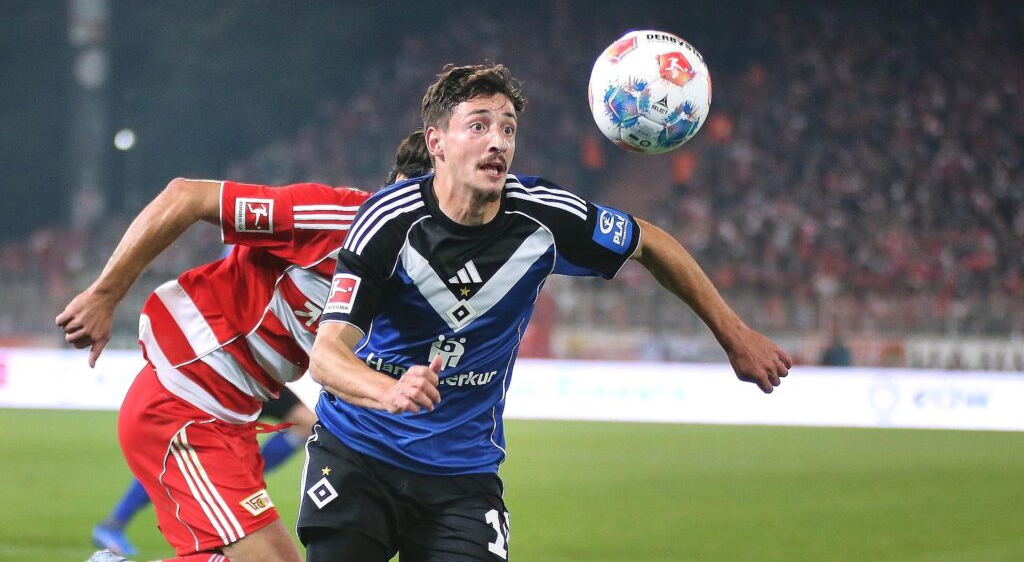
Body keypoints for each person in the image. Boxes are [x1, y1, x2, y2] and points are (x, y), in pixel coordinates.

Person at [299, 63, 793, 561]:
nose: (498, 141)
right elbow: (327, 355)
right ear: (436, 143)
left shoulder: (544, 215)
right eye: (479, 125)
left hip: (462, 477)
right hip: (358, 455)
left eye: (508, 127)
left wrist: (735, 335)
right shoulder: (388, 219)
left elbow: (651, 242)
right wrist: (389, 389)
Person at [58, 131, 430, 562]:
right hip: (183, 402)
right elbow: (186, 196)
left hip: (235, 417)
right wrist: (105, 294)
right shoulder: (336, 217)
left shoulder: (406, 269)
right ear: (403, 187)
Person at [91, 387, 316, 556]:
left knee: (306, 423)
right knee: (179, 462)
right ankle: (114, 523)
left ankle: (235, 479)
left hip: (257, 376)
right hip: (220, 378)